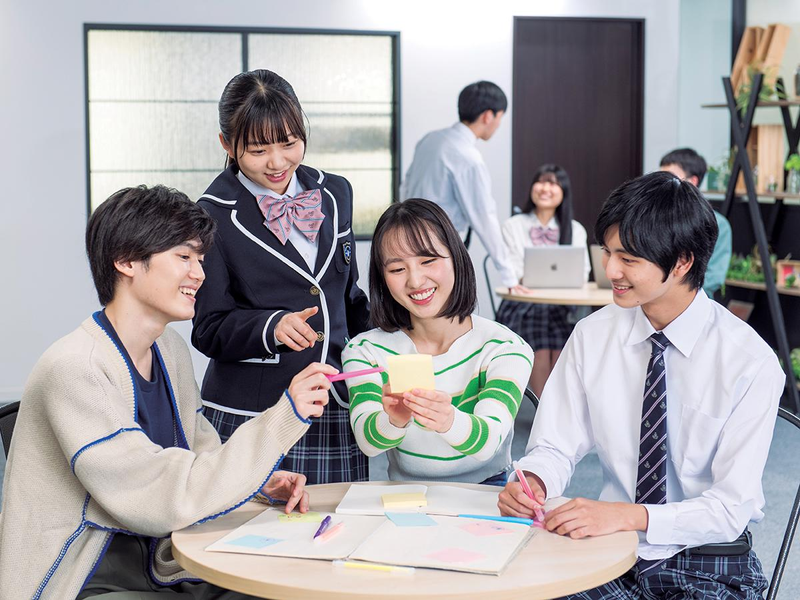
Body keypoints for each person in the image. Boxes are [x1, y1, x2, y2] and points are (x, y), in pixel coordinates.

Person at [0, 185, 336, 599]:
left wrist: (256, 482)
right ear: (126, 260)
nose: (199, 274)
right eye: (183, 257)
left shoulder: (168, 348)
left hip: (163, 559)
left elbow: (200, 453)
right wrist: (284, 417)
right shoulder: (75, 367)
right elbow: (158, 498)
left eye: (200, 259)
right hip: (87, 575)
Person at [498, 172, 783, 599]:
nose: (610, 270)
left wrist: (629, 516)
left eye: (629, 259)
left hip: (706, 556)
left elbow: (730, 508)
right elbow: (555, 445)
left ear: (682, 262)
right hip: (612, 549)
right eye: (607, 252)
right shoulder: (593, 335)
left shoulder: (749, 361)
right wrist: (535, 481)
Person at [192, 69, 371, 484]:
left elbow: (348, 297)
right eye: (258, 150)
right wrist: (271, 327)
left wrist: (396, 344)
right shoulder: (210, 215)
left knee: (339, 520)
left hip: (335, 400)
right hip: (258, 413)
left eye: (289, 143)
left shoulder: (336, 192)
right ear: (227, 145)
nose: (277, 162)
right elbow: (208, 328)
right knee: (254, 523)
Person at [341, 199, 533, 485]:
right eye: (397, 270)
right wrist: (394, 419)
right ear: (382, 280)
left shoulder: (505, 348)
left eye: (428, 261)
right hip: (406, 495)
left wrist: (448, 419)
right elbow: (369, 443)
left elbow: (487, 443)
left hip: (487, 491)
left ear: (456, 257)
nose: (416, 281)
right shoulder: (365, 351)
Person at [401, 81, 520, 290]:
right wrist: (509, 275)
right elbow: (484, 217)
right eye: (500, 117)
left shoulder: (430, 140)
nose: (499, 124)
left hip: (409, 241)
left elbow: (405, 187)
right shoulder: (468, 158)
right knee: (445, 307)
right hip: (440, 250)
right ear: (488, 116)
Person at [495, 164, 590, 397]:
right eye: (541, 181)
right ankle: (542, 406)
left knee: (563, 349)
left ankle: (555, 405)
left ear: (564, 192)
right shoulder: (513, 226)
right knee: (541, 348)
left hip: (564, 306)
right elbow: (514, 270)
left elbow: (583, 272)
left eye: (553, 183)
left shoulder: (575, 229)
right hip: (523, 304)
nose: (545, 188)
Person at [660, 147, 732, 298]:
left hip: (694, 300)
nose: (663, 184)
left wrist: (667, 289)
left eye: (670, 178)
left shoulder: (718, 224)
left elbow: (714, 277)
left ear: (692, 181)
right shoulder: (656, 217)